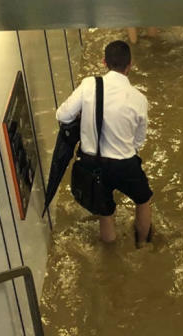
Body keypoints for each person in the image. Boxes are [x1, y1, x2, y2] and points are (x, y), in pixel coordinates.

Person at [56, 40, 153, 246]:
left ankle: (110, 258)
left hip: (92, 163)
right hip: (125, 162)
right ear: (130, 66)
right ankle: (142, 244)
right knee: (143, 200)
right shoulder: (139, 98)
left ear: (104, 62)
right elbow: (139, 140)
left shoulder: (89, 84)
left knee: (105, 212)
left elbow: (63, 115)